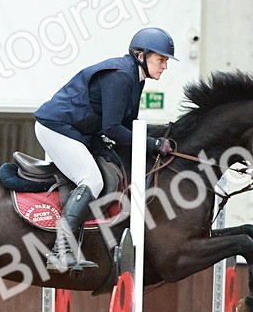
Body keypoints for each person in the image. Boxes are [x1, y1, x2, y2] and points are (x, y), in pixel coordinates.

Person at [33, 27, 177, 272]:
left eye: (166, 61)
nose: (165, 66)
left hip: (80, 132)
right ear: (140, 55)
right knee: (92, 180)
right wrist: (153, 144)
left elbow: (128, 126)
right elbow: (112, 129)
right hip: (57, 128)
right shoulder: (121, 76)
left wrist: (162, 135)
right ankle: (60, 250)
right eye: (161, 59)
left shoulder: (136, 78)